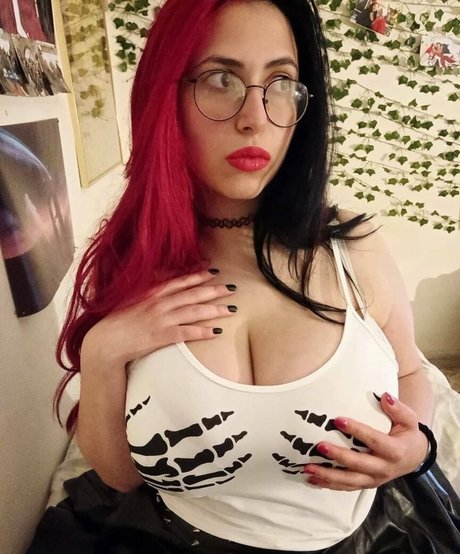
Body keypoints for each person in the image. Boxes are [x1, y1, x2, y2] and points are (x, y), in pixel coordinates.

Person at [50, 0, 459, 552]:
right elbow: (120, 477)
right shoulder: (135, 260)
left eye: (281, 83)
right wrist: (101, 353)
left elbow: (410, 370)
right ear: (165, 98)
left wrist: (419, 445)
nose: (256, 117)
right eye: (221, 79)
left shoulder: (352, 248)